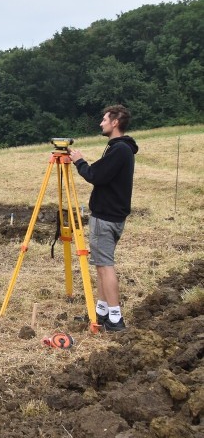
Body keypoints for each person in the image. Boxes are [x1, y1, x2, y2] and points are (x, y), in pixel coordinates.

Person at [69, 105, 138, 332]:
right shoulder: (120, 149)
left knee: (105, 267)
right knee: (100, 265)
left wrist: (79, 161)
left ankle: (115, 319)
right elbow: (103, 174)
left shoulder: (119, 150)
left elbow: (96, 176)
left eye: (104, 119)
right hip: (113, 216)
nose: (101, 123)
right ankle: (101, 312)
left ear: (115, 122)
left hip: (106, 217)